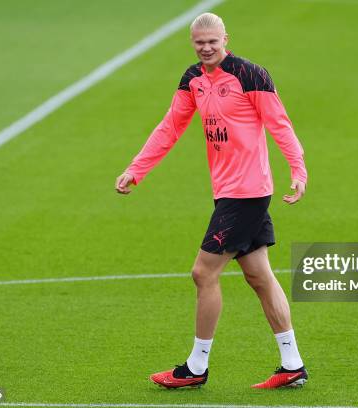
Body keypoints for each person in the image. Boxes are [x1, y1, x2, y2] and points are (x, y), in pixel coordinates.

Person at [115, 12, 308, 389]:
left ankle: (196, 367)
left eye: (212, 42)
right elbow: (170, 126)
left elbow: (279, 124)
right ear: (193, 42)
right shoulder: (193, 80)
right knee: (258, 275)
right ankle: (292, 364)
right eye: (199, 42)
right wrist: (137, 169)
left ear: (225, 39)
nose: (206, 48)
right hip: (228, 192)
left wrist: (298, 171)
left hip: (247, 193)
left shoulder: (251, 75)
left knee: (203, 273)